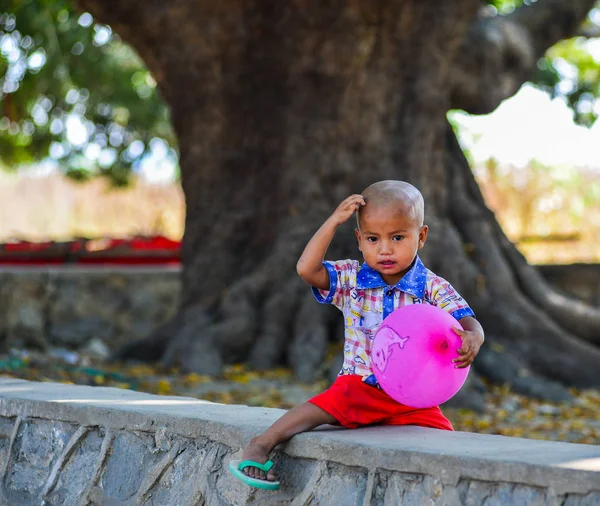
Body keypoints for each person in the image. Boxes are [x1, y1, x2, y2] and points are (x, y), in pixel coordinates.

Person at [229, 180, 485, 490]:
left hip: (413, 397)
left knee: (444, 441)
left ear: (422, 237)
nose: (385, 249)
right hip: (361, 385)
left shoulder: (432, 287)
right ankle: (262, 444)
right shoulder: (351, 279)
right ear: (359, 239)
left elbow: (467, 321)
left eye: (398, 237)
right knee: (322, 408)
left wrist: (473, 338)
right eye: (373, 239)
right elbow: (306, 269)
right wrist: (333, 221)